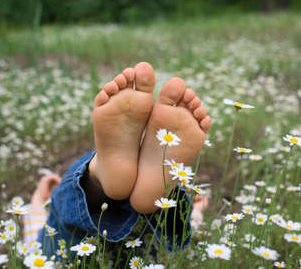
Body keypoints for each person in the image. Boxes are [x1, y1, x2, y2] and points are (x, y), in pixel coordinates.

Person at [23, 62, 211, 264]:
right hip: (148, 259)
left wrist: (38, 199)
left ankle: (95, 179)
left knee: (49, 236)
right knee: (176, 225)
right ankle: (169, 203)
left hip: (68, 260)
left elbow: (33, 219)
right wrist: (194, 209)